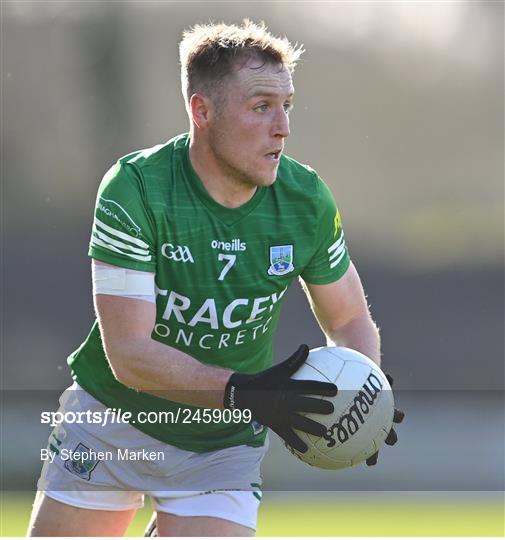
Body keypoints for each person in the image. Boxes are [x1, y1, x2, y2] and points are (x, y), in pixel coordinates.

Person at [28, 20, 402, 537]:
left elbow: (350, 317)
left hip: (221, 445)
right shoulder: (137, 189)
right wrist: (246, 392)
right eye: (261, 106)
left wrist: (366, 396)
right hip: (112, 424)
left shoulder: (305, 200)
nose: (282, 127)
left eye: (287, 106)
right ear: (201, 111)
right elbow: (129, 353)